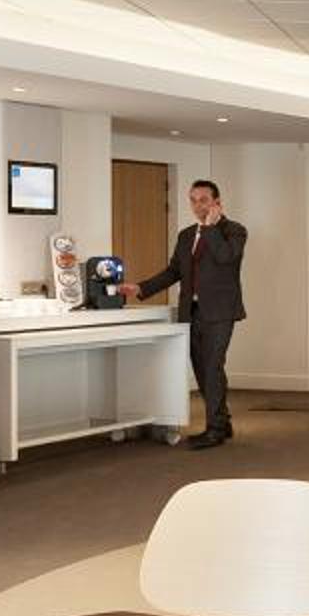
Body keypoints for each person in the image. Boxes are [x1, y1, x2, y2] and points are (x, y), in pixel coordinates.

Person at [121, 177, 245, 450]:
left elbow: (225, 257)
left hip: (220, 312)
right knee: (202, 368)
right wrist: (141, 287)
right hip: (192, 311)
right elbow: (174, 272)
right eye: (193, 200)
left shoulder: (234, 231)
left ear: (217, 202)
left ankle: (215, 429)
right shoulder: (186, 235)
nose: (198, 205)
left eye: (204, 200)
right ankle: (223, 421)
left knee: (212, 366)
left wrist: (210, 228)